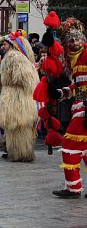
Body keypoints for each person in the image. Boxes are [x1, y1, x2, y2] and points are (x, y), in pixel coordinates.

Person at [49, 18, 87, 199]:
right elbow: (76, 86)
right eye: (71, 40)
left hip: (84, 109)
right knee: (85, 148)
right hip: (79, 106)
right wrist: (60, 93)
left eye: (77, 39)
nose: (74, 43)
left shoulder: (85, 55)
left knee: (69, 146)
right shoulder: (75, 60)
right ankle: (74, 187)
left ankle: (73, 188)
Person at [0, 31, 39, 161]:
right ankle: (14, 151)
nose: (3, 47)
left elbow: (25, 79)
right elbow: (11, 77)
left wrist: (3, 78)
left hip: (17, 98)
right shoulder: (18, 57)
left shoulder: (13, 56)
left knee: (17, 127)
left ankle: (20, 153)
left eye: (4, 44)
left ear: (12, 44)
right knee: (15, 127)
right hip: (16, 97)